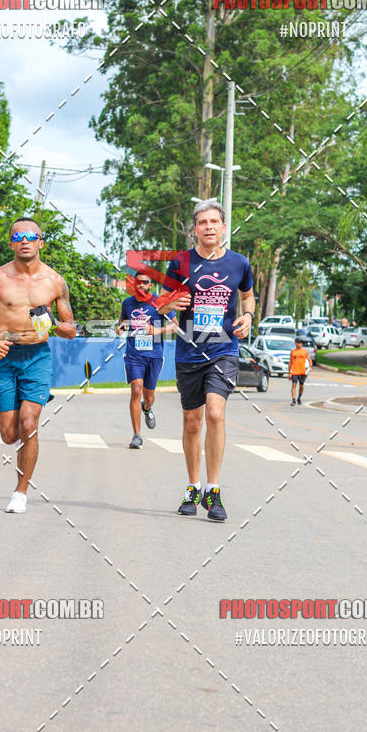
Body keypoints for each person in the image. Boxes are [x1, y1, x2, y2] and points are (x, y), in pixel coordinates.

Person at [158, 200, 255, 522]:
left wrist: (249, 315)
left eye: (215, 221)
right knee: (192, 422)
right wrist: (174, 300)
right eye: (203, 222)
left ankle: (213, 490)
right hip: (188, 350)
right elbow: (160, 305)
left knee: (215, 413)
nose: (209, 227)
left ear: (224, 227)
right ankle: (192, 487)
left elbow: (247, 295)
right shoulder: (180, 263)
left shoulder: (239, 263)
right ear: (195, 229)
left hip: (223, 349)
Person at [0, 218, 76, 513]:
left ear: (41, 242)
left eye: (31, 236)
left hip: (37, 357)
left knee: (29, 424)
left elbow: (70, 330)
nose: (25, 241)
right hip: (4, 358)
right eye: (18, 236)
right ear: (12, 244)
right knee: (9, 434)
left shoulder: (55, 282)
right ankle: (20, 443)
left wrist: (50, 322)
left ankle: (20, 492)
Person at [116, 270, 177, 449]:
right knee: (136, 389)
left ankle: (147, 408)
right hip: (134, 354)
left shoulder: (159, 302)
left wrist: (157, 331)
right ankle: (137, 435)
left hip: (154, 355)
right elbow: (121, 322)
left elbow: (175, 325)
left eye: (145, 282)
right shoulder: (128, 303)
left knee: (148, 397)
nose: (141, 284)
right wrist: (120, 327)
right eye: (138, 282)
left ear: (150, 285)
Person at [288, 336, 313, 405]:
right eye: (299, 342)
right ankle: (293, 400)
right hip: (294, 372)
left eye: (301, 343)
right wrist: (289, 373)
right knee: (294, 385)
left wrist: (310, 367)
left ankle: (299, 398)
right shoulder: (293, 352)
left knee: (301, 386)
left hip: (302, 372)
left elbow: (310, 360)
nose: (300, 344)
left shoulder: (304, 351)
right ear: (295, 343)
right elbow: (290, 363)